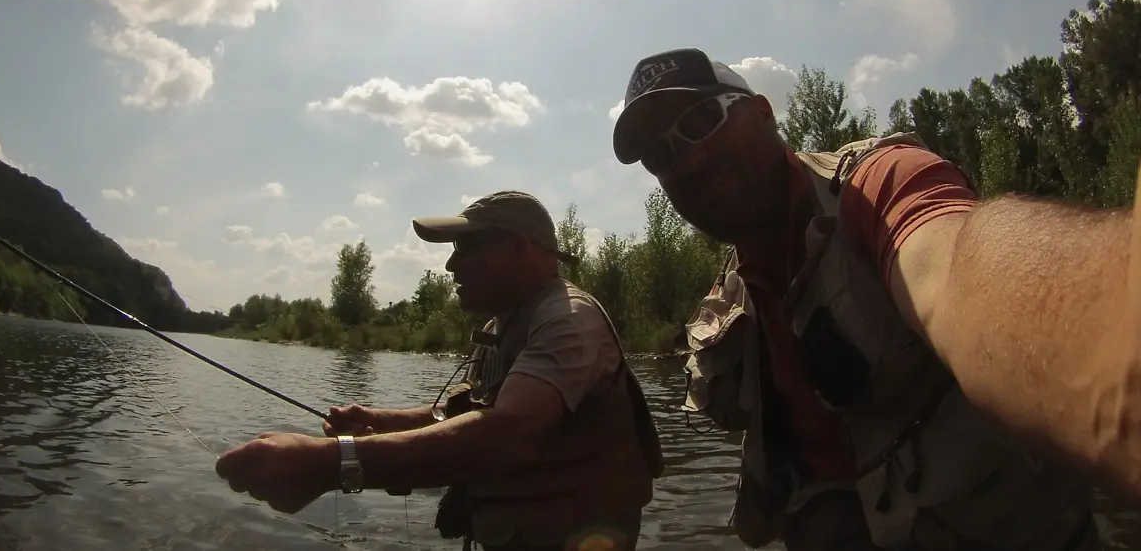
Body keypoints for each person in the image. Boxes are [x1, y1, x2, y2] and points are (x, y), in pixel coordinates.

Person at [610, 47, 1121, 551]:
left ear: (762, 112)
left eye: (702, 120)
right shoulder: (732, 292)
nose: (691, 159)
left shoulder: (878, 184)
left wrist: (1101, 339)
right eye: (662, 154)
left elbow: (956, 262)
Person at [214, 190, 665, 551]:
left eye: (466, 247)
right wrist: (378, 422)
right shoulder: (501, 325)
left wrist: (329, 463)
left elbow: (506, 434)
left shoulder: (567, 318)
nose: (451, 264)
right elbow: (461, 417)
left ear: (518, 247)